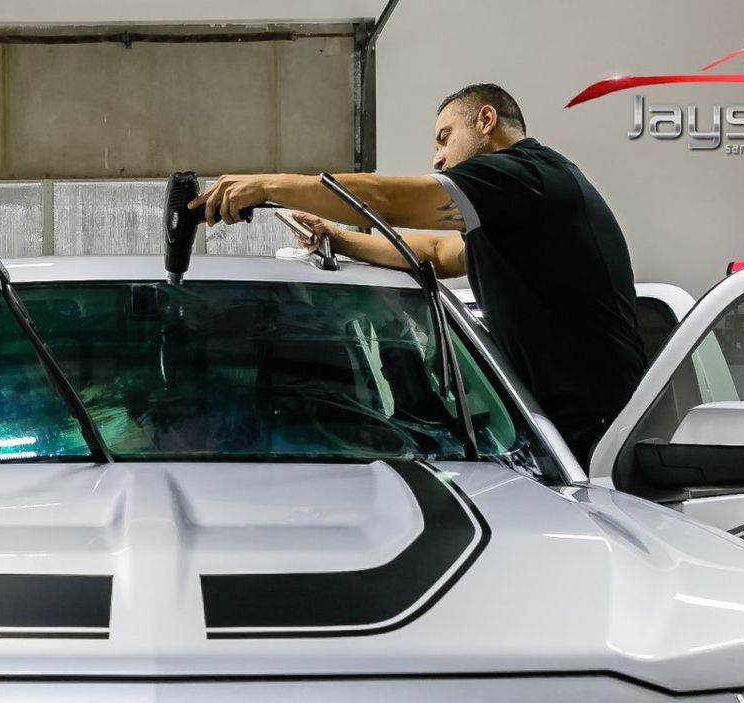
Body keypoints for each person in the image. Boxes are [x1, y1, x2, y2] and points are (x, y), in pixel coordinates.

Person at [192, 83, 645, 463]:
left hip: (591, 433)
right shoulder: (517, 208)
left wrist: (268, 185)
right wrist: (337, 237)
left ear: (485, 120)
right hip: (552, 430)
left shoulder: (526, 175)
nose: (438, 157)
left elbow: (388, 198)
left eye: (445, 138)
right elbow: (437, 253)